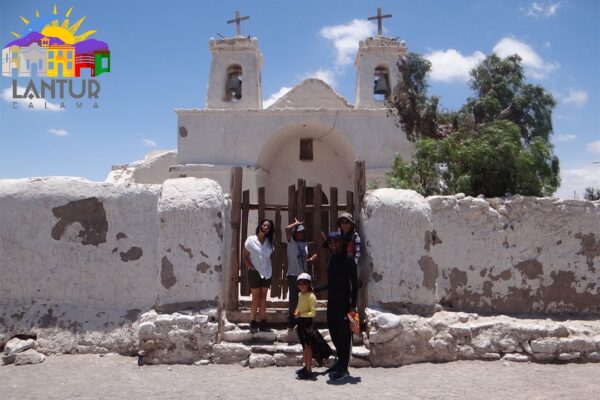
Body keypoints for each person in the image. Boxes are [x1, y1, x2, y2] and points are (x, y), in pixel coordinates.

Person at [315, 231, 358, 381]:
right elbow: (332, 283)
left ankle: (344, 367)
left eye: (335, 242)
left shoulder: (348, 259)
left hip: (344, 304)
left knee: (344, 336)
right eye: (330, 242)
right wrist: (315, 289)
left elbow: (355, 284)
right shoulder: (331, 259)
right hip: (332, 302)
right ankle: (340, 362)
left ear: (340, 243)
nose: (333, 245)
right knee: (334, 332)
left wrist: (353, 305)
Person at [242, 219, 274, 333]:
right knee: (255, 297)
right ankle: (253, 321)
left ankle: (263, 322)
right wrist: (250, 266)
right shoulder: (251, 240)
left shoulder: (269, 242)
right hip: (255, 272)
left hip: (267, 272)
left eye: (269, 227)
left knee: (263, 298)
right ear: (260, 225)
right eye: (265, 225)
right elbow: (244, 255)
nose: (266, 227)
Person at [285, 218, 316, 328]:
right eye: (299, 232)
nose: (301, 234)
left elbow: (302, 260)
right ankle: (291, 321)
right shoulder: (291, 243)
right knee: (293, 299)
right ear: (295, 233)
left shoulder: (305, 245)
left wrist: (310, 260)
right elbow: (286, 229)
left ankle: (302, 320)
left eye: (303, 232)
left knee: (304, 300)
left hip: (303, 276)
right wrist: (296, 224)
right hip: (293, 275)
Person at [294, 273, 317, 380]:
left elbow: (313, 313)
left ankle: (309, 370)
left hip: (308, 324)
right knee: (304, 347)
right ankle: (306, 366)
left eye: (305, 283)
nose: (302, 286)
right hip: (301, 323)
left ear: (309, 284)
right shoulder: (300, 295)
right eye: (299, 283)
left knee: (308, 347)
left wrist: (301, 314)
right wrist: (297, 311)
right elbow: (299, 306)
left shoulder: (311, 296)